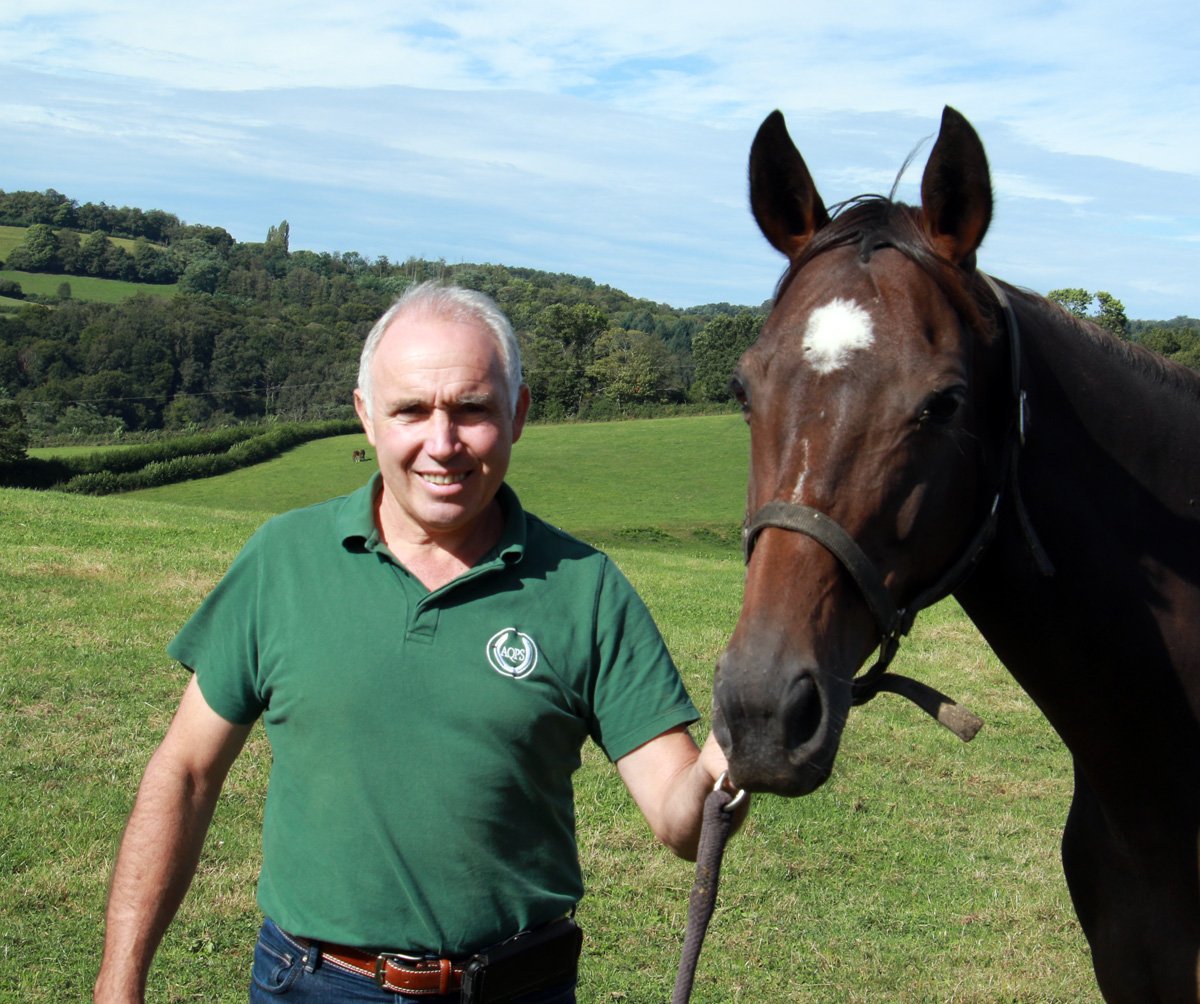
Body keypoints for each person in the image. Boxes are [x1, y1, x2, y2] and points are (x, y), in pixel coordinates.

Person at [94, 282, 744, 1003]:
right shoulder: (283, 559)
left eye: (472, 409)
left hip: (516, 989)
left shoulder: (585, 588)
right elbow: (185, 773)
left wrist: (732, 751)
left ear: (518, 415)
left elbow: (683, 822)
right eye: (411, 410)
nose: (442, 443)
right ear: (367, 416)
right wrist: (119, 983)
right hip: (315, 986)